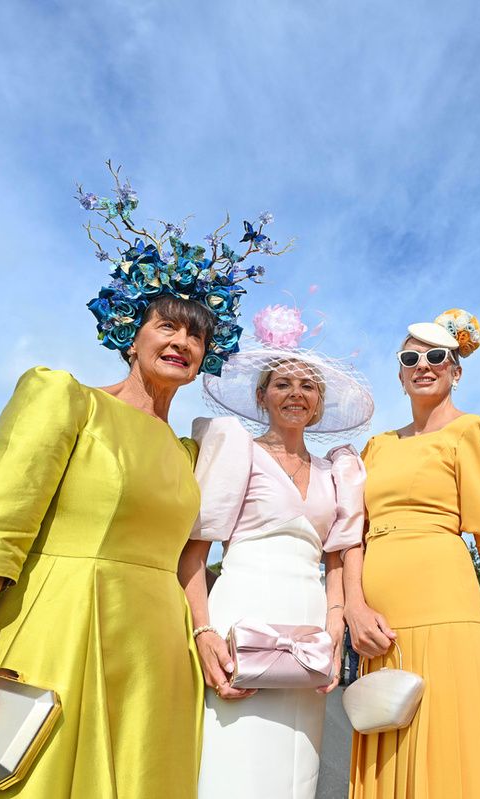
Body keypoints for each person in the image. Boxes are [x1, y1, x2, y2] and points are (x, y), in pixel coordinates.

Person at [0, 176, 281, 799]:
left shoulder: (190, 453)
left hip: (157, 665)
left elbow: (187, 560)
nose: (181, 342)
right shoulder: (63, 399)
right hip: (57, 638)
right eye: (165, 326)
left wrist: (202, 632)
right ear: (131, 331)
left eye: (196, 335)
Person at [178, 302, 373, 799]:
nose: (296, 394)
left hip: (309, 621)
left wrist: (334, 632)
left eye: (308, 386)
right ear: (262, 395)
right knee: (235, 755)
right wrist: (202, 631)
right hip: (242, 607)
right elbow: (194, 552)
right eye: (283, 384)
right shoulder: (235, 446)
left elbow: (335, 559)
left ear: (320, 402)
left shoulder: (338, 471)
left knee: (296, 766)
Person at [346, 310, 480, 798]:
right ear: (400, 375)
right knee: (389, 740)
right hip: (381, 624)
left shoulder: (477, 432)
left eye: (437, 356)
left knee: (449, 755)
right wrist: (354, 609)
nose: (424, 365)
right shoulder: (376, 447)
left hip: (450, 617)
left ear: (455, 370)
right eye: (410, 358)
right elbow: (353, 536)